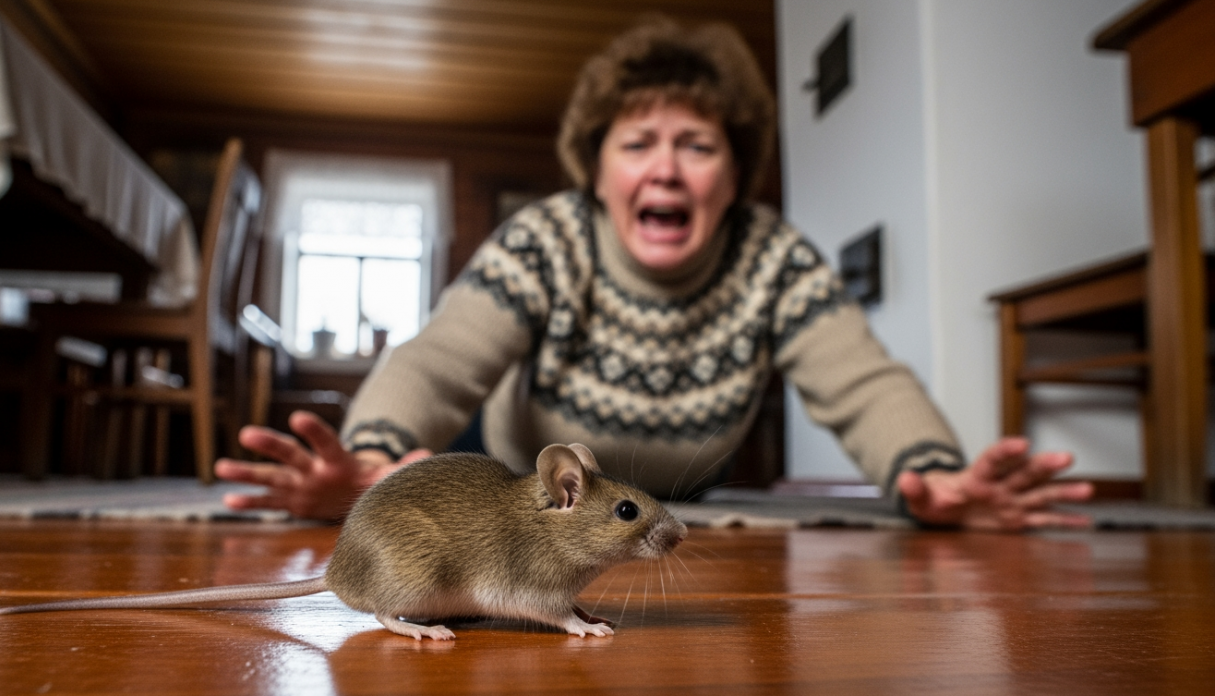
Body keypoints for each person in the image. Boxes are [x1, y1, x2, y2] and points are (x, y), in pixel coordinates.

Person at [215, 19, 1093, 530]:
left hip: (673, 501)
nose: (666, 169)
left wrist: (931, 476)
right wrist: (372, 460)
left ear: (734, 176)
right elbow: (440, 359)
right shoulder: (548, 238)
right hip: (526, 479)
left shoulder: (773, 257)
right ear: (597, 172)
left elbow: (863, 383)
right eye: (637, 143)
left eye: (697, 146)